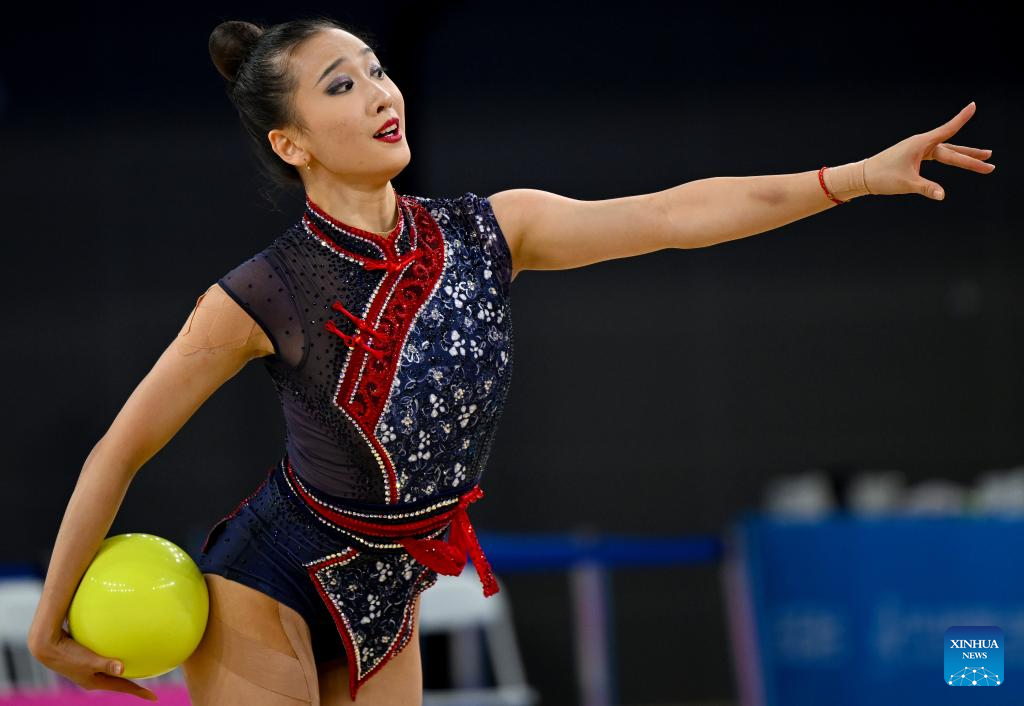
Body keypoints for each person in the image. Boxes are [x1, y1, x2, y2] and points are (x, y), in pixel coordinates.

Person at [26, 12, 995, 706]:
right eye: (341, 86)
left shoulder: (491, 231)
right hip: (269, 578)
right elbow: (120, 449)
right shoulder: (262, 291)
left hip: (391, 591)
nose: (380, 93)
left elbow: (677, 214)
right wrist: (49, 624)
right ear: (290, 143)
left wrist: (853, 177)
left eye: (375, 70)